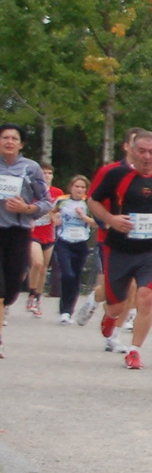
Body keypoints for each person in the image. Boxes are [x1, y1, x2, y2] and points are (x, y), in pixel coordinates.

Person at [85, 130, 152, 372]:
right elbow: (92, 200)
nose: (146, 157)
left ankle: (135, 351)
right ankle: (110, 316)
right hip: (119, 249)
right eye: (141, 151)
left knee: (146, 298)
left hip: (151, 252)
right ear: (131, 150)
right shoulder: (116, 174)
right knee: (116, 305)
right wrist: (110, 219)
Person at [0, 123, 53, 356]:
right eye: (4, 138)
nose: (9, 142)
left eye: (14, 138)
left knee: (11, 288)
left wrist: (26, 207)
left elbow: (46, 203)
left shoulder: (31, 169)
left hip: (19, 231)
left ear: (21, 143)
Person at [51, 175, 95, 324]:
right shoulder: (62, 200)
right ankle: (63, 308)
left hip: (81, 242)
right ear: (71, 187)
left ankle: (68, 311)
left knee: (75, 277)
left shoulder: (89, 203)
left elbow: (96, 223)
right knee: (67, 274)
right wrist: (54, 218)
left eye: (83, 187)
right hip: (64, 241)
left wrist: (83, 216)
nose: (80, 190)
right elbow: (50, 211)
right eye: (77, 186)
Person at [25, 162, 62, 317]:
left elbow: (60, 212)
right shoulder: (31, 190)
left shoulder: (58, 193)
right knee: (37, 262)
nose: (47, 176)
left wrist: (56, 216)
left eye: (49, 173)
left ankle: (37, 298)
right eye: (44, 173)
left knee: (43, 268)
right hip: (33, 233)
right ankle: (32, 293)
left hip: (49, 234)